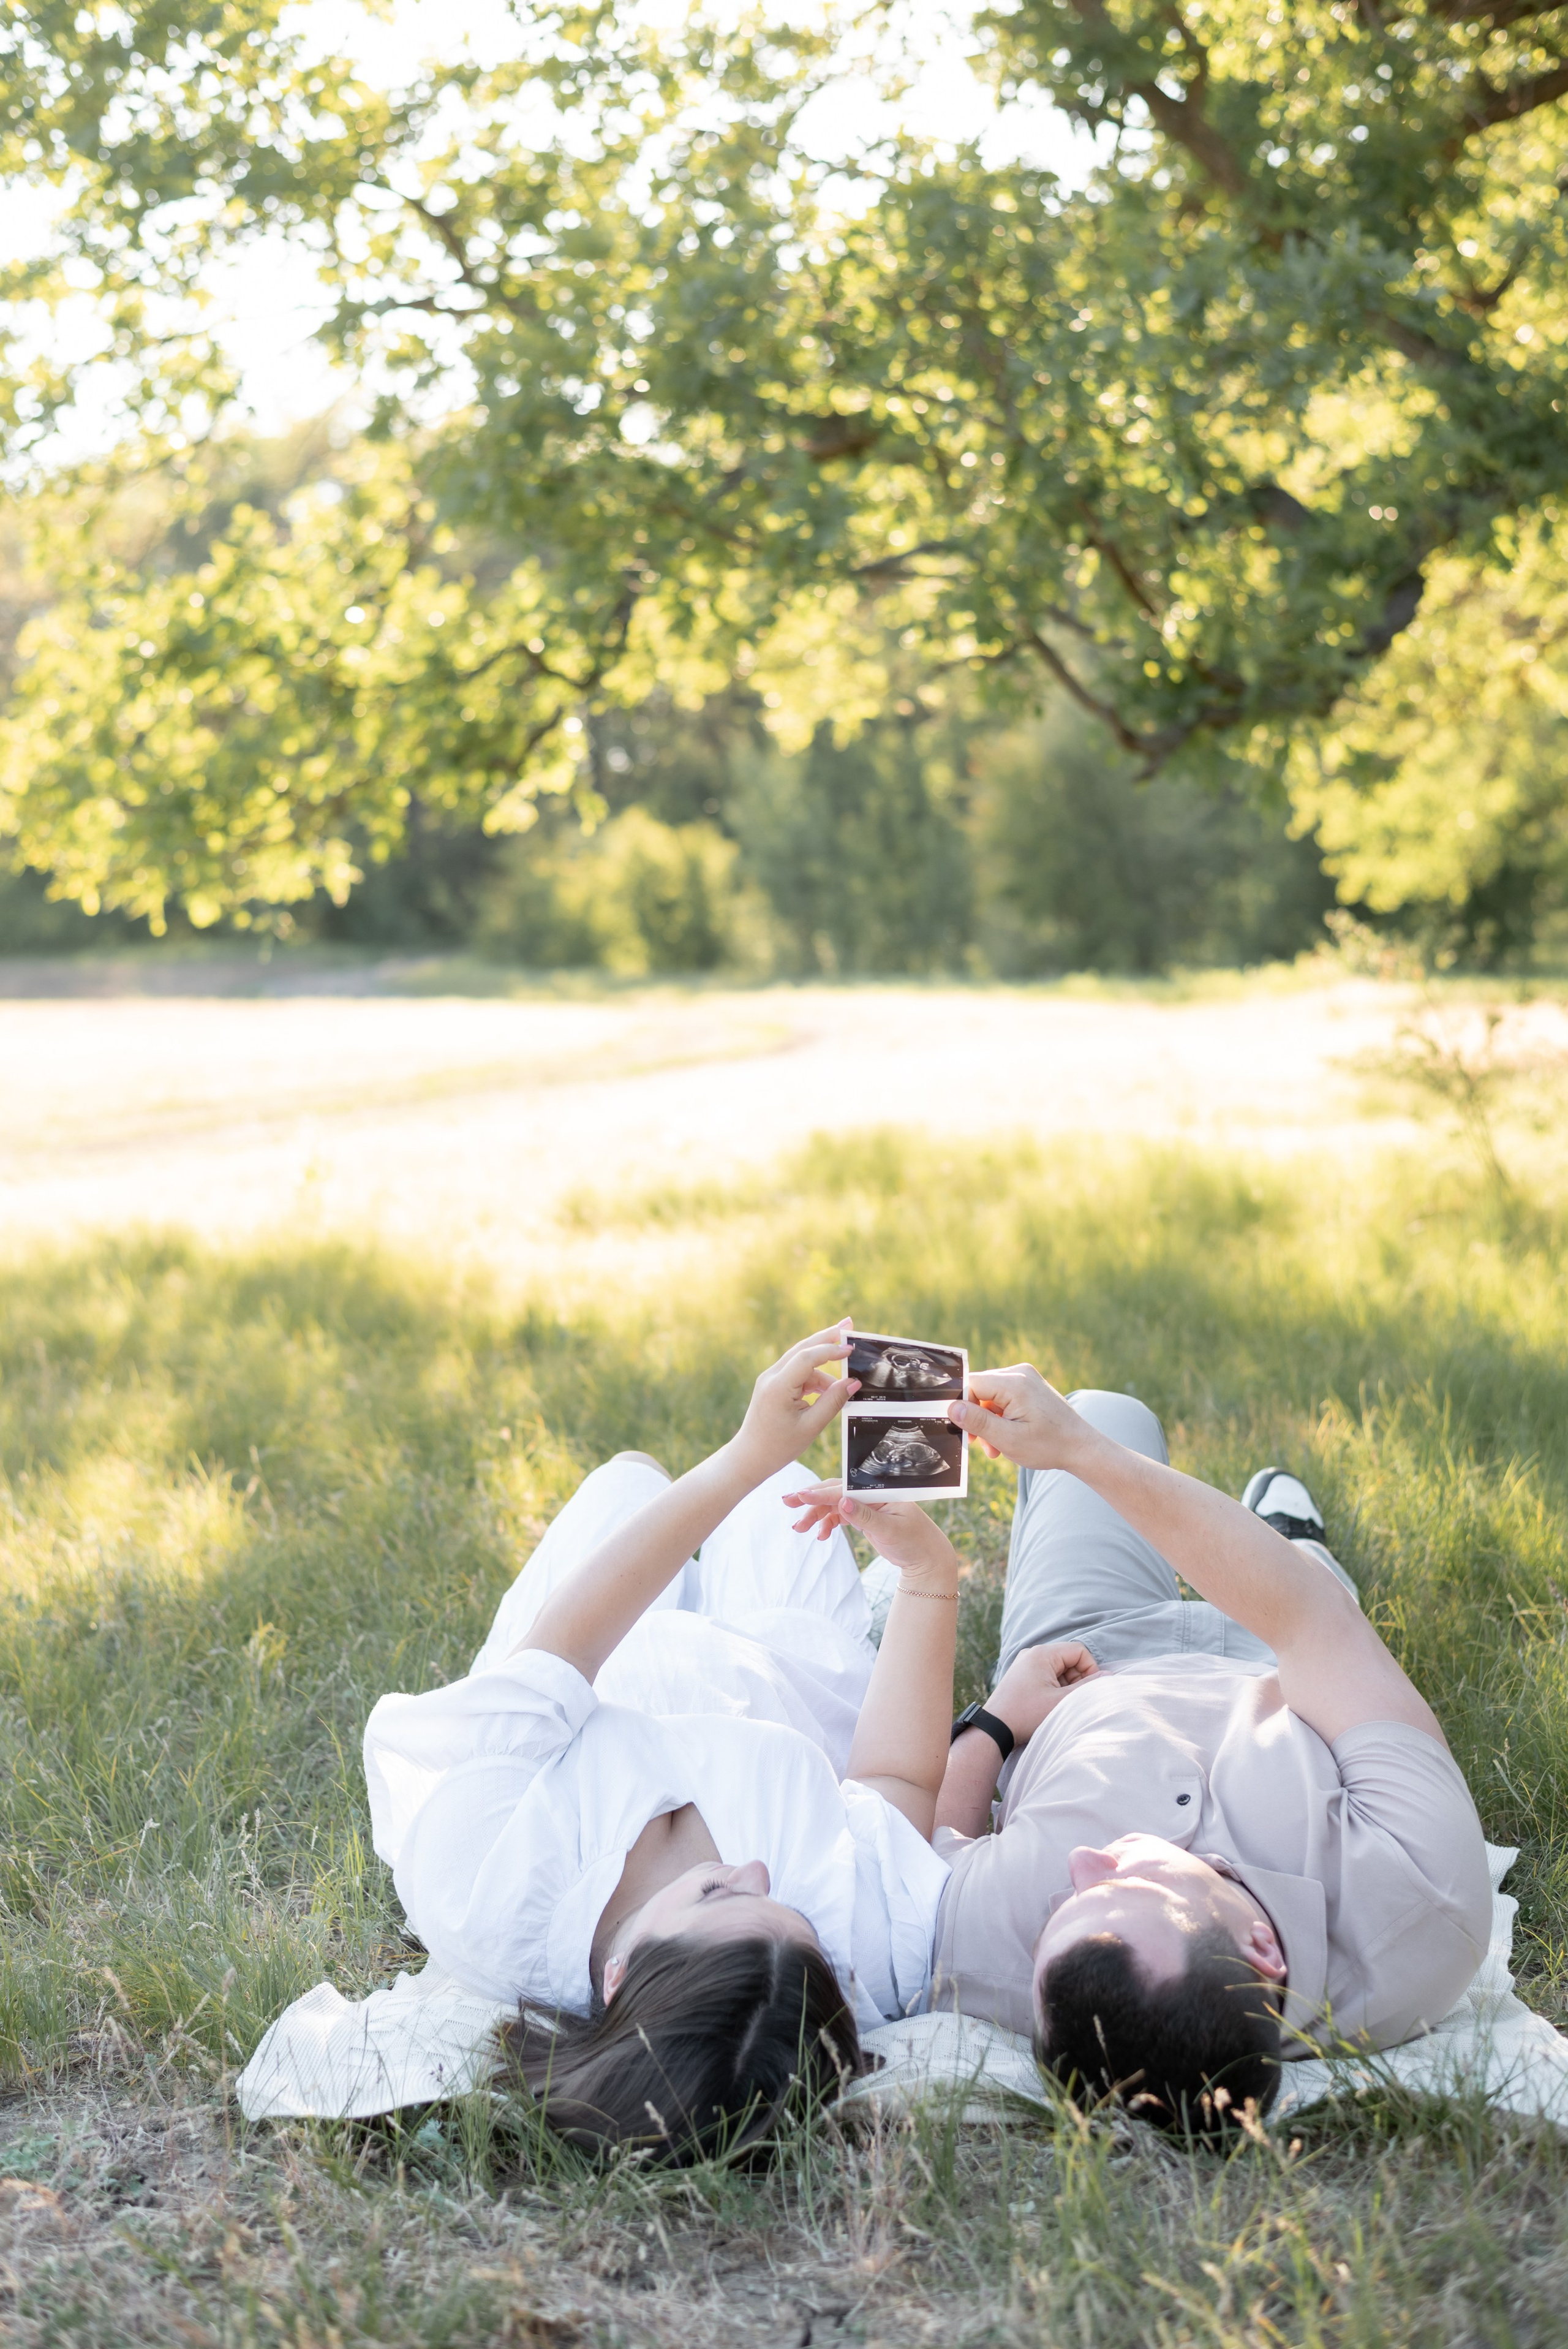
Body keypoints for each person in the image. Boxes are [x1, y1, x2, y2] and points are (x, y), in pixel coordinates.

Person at [360, 1322, 963, 2163]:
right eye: (795, 1917)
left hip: (598, 1649)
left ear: (617, 1975)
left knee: (628, 1482)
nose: (758, 1873)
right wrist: (929, 1578)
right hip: (783, 1668)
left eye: (720, 1895)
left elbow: (565, 1651)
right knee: (787, 1488)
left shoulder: (482, 1888)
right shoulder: (819, 1959)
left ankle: (694, 1491)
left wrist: (737, 1459)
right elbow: (893, 1783)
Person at [922, 1369, 1493, 2136]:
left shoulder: (1017, 1959)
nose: (1084, 1865)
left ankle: (1236, 1524)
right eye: (1126, 1885)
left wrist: (995, 1722)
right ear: (1264, 1948)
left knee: (1107, 1410)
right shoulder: (1424, 1902)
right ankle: (1293, 1542)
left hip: (1076, 1659)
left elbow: (933, 1847)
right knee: (1311, 1586)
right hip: (1283, 1650)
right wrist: (1083, 1456)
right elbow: (1308, 1624)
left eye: (1067, 1901)